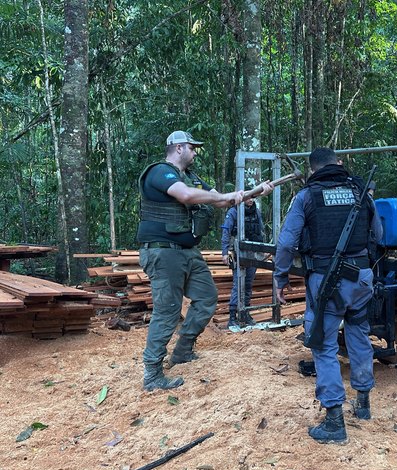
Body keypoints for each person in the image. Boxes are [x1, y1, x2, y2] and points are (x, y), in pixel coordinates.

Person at [136, 130, 271, 391]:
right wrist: (223, 197)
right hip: (163, 251)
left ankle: (183, 350)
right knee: (168, 310)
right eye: (191, 147)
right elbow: (186, 196)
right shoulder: (160, 172)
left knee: (207, 297)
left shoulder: (191, 178)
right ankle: (152, 374)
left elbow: (223, 199)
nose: (195, 152)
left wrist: (254, 193)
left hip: (187, 251)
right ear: (177, 148)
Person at [273, 147, 383, 444]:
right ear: (339, 163)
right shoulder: (360, 191)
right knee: (359, 333)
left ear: (312, 169)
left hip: (327, 280)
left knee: (323, 344)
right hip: (361, 277)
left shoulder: (307, 197)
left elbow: (286, 243)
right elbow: (379, 235)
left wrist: (280, 277)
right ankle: (363, 404)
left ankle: (335, 421)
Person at [221, 196, 265, 328]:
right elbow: (226, 231)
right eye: (248, 197)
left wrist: (262, 249)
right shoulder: (234, 211)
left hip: (253, 253)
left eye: (253, 197)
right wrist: (225, 252)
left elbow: (261, 230)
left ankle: (245, 312)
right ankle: (233, 316)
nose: (251, 200)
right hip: (238, 253)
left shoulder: (256, 212)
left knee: (248, 284)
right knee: (238, 284)